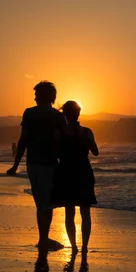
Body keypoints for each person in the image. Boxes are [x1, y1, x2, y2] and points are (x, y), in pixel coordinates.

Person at [7, 81, 67, 251]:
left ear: (42, 96)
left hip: (33, 163)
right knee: (47, 203)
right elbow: (61, 142)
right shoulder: (57, 116)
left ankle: (43, 238)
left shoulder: (29, 114)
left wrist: (15, 165)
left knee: (40, 203)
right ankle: (43, 239)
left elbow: (23, 140)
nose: (34, 97)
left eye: (36, 94)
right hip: (50, 163)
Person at [52, 100, 99, 255]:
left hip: (66, 171)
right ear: (79, 113)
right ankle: (85, 247)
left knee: (69, 212)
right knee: (85, 212)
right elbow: (95, 151)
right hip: (84, 171)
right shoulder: (87, 131)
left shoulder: (59, 132)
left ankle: (74, 247)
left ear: (64, 114)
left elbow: (55, 153)